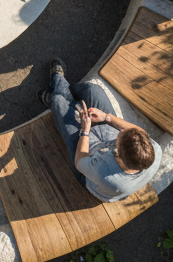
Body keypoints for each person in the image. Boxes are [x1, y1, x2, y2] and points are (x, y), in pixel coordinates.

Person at [41, 57, 162, 203]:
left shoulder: (107, 176)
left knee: (59, 102)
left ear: (117, 152)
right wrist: (106, 117)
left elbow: (80, 161)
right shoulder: (154, 150)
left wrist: (85, 131)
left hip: (86, 167)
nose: (121, 130)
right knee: (93, 90)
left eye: (120, 136)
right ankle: (60, 91)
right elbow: (140, 132)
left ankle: (57, 90)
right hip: (107, 146)